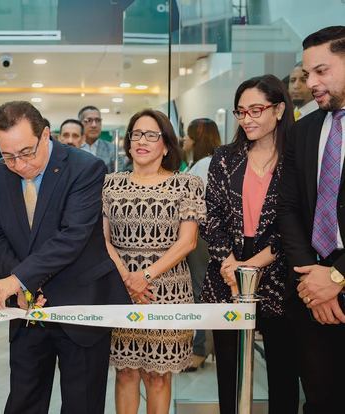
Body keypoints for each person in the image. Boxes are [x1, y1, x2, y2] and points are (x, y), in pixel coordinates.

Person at [0, 101, 130, 414]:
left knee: (82, 404)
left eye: (26, 152)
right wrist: (24, 287)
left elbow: (72, 237)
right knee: (24, 400)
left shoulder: (84, 168)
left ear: (46, 134)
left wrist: (18, 279)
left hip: (81, 303)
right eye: (8, 156)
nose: (18, 165)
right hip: (28, 309)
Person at [202, 74, 298, 414]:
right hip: (225, 273)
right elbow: (210, 215)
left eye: (256, 110)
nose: (248, 119)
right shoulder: (225, 157)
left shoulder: (295, 158)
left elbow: (296, 220)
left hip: (277, 273)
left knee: (283, 372)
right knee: (229, 371)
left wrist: (253, 265)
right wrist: (229, 262)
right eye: (241, 112)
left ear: (279, 109)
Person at [104, 109, 204, 414]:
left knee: (158, 377)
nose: (142, 141)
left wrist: (143, 277)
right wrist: (127, 278)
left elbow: (188, 242)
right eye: (136, 134)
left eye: (151, 135)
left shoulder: (187, 184)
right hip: (121, 290)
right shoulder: (110, 184)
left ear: (166, 145)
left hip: (168, 291)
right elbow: (102, 239)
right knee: (125, 373)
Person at [277, 26, 345, 414]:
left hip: (331, 281)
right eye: (307, 74)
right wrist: (311, 275)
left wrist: (335, 277)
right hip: (310, 292)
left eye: (322, 71)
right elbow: (288, 207)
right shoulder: (304, 130)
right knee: (319, 400)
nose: (311, 83)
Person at [184, 118, 221, 371]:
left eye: (187, 136)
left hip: (200, 236)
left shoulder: (205, 165)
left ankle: (200, 348)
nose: (184, 141)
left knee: (200, 289)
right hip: (197, 236)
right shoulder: (199, 164)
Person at [79, 105, 116, 172]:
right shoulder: (73, 147)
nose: (94, 125)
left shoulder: (112, 149)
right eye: (89, 120)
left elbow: (120, 177)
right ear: (80, 123)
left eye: (98, 120)